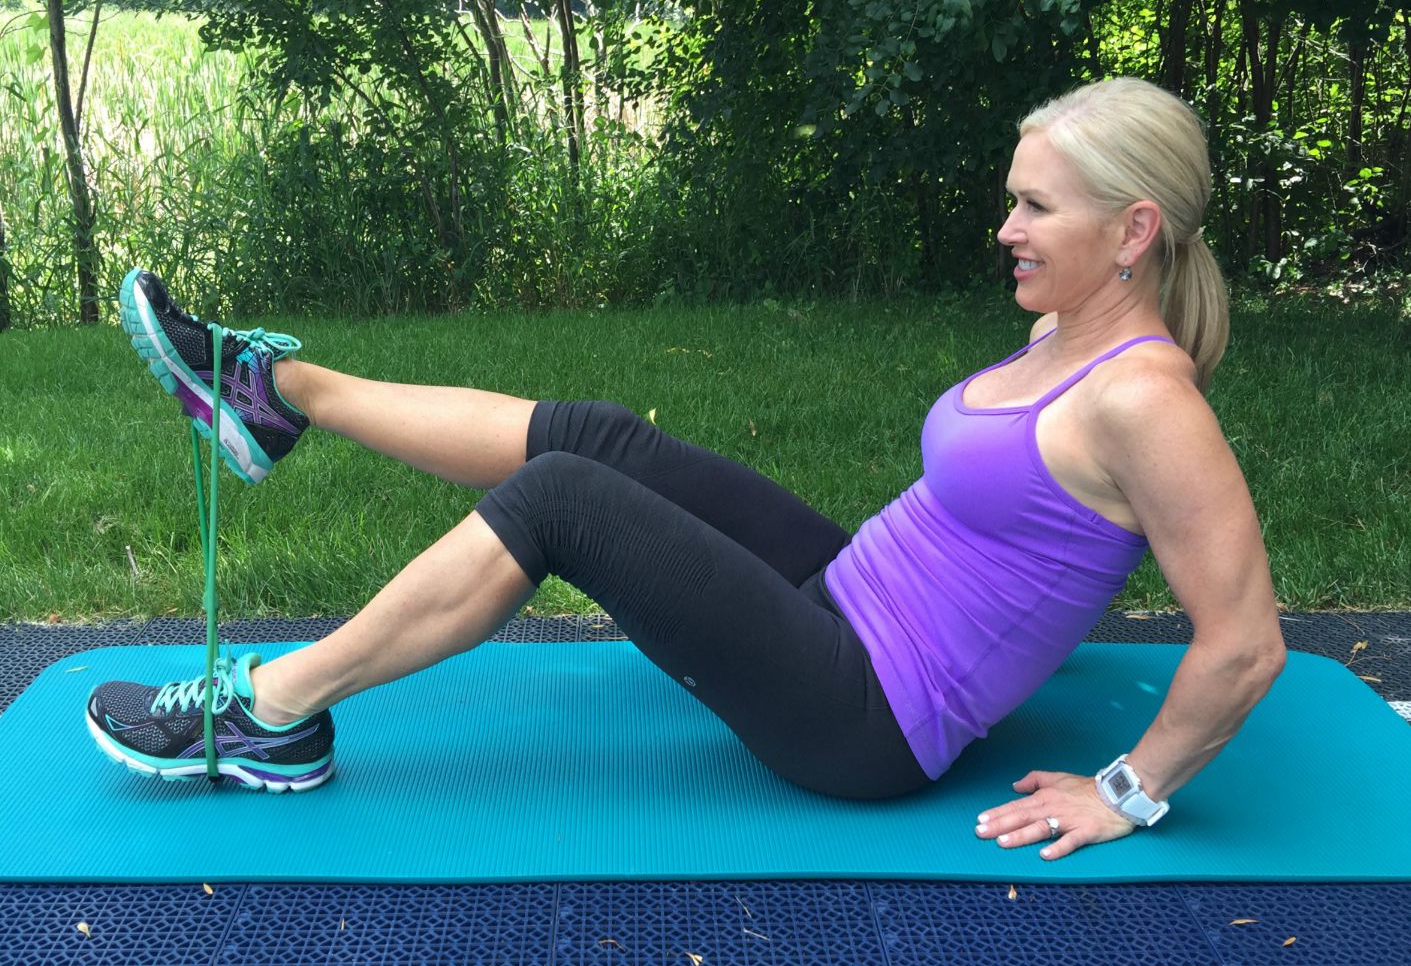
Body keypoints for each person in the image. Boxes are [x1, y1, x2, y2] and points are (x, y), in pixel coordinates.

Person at [87, 78, 1284, 859]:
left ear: (1132, 230)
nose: (1005, 228)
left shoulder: (1143, 398)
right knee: (597, 437)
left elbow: (1242, 639)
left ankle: (271, 715)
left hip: (867, 713)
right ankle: (271, 392)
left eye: (1034, 206)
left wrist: (1124, 790)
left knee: (562, 500)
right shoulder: (1059, 332)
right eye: (1011, 199)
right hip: (846, 594)